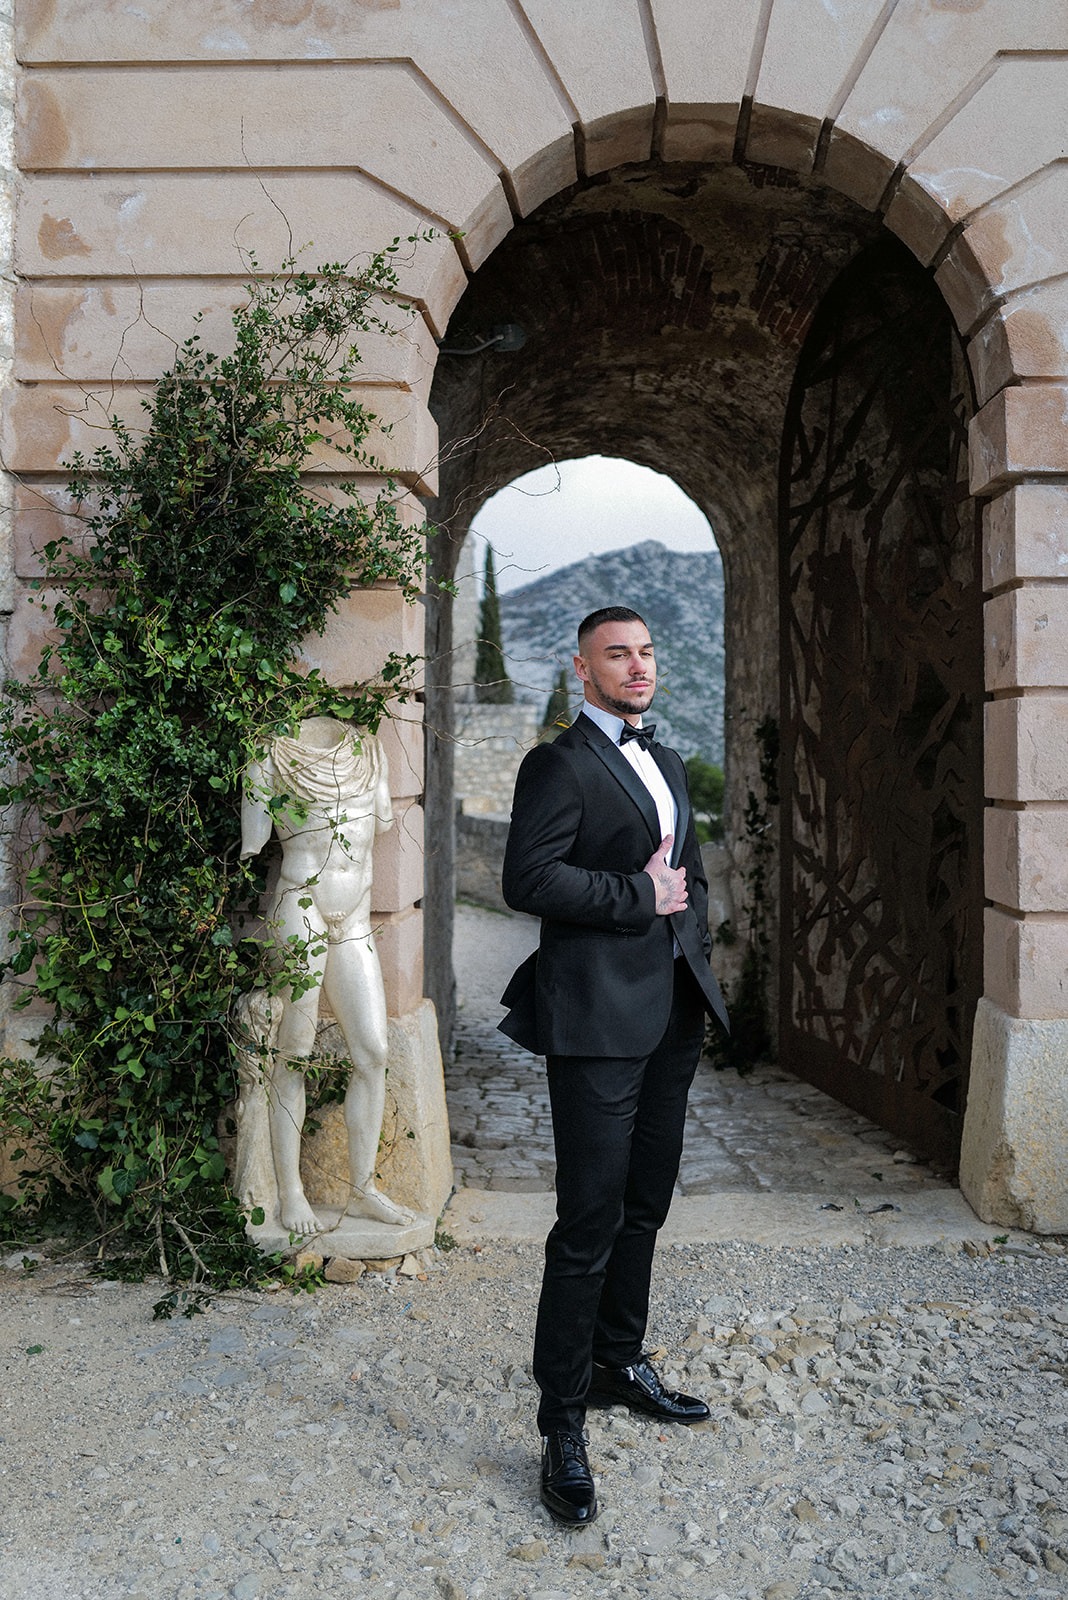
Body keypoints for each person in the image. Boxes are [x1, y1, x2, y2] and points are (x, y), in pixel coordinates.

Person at [499, 606, 729, 1526]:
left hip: (673, 1013)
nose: (637, 667)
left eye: (645, 652)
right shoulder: (557, 763)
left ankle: (618, 1361)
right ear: (583, 666)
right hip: (595, 1021)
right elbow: (529, 879)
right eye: (616, 655)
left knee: (646, 1204)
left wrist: (693, 946)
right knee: (587, 1220)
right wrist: (641, 896)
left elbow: (693, 873)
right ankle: (560, 1423)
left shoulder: (666, 760)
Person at [238, 716, 413, 1236]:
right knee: (294, 1050)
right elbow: (253, 840)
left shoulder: (370, 755)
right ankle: (291, 1191)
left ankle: (363, 1189)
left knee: (373, 1052)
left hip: (355, 915)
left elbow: (379, 823)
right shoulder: (268, 760)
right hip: (302, 905)